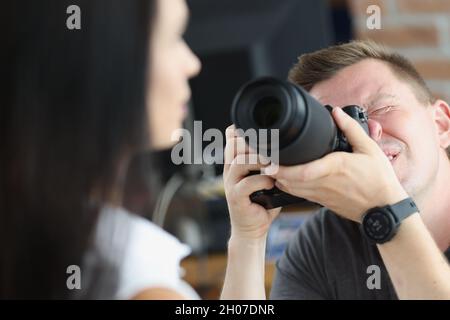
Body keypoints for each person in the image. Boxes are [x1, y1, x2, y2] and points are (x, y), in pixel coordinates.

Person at [2, 0, 257, 300]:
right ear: (101, 64)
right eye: (173, 38)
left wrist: (248, 238)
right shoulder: (138, 282)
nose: (193, 63)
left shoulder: (38, 226)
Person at [222, 40, 450, 300]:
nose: (366, 135)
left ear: (441, 125)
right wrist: (247, 239)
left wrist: (385, 212)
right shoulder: (324, 242)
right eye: (337, 128)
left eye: (382, 108)